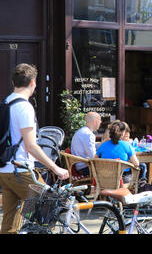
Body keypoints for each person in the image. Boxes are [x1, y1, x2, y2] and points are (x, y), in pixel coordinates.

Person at [0, 63, 69, 234]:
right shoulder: (24, 107)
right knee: (49, 208)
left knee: (10, 221)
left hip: (5, 171)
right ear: (32, 82)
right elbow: (31, 146)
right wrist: (56, 168)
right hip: (22, 172)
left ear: (13, 81)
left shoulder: (5, 103)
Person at [70, 112, 102, 176]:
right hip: (85, 167)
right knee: (111, 168)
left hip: (80, 166)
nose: (100, 122)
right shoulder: (89, 134)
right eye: (99, 120)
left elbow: (87, 147)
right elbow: (93, 157)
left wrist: (102, 144)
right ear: (94, 121)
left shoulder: (82, 131)